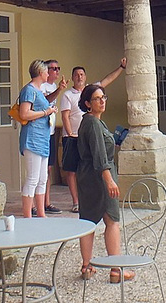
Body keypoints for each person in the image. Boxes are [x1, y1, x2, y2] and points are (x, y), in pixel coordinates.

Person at [76, 83, 134, 284]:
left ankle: (87, 265)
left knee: (88, 222)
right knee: (112, 221)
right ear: (87, 104)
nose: (102, 101)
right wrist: (109, 180)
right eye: (97, 98)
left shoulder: (91, 122)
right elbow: (100, 156)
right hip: (99, 177)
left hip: (87, 177)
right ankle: (116, 269)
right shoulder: (92, 123)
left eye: (103, 97)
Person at [60, 58, 128, 213]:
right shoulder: (68, 95)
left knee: (92, 163)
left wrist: (121, 67)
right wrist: (70, 133)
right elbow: (65, 115)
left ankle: (89, 200)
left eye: (82, 74)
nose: (79, 77)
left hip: (90, 133)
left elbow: (108, 79)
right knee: (72, 169)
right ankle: (76, 201)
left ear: (85, 76)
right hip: (75, 136)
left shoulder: (92, 90)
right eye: (76, 74)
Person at [18, 59, 59, 219]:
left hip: (43, 138)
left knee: (43, 178)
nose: (49, 73)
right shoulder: (29, 90)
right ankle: (27, 215)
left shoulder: (39, 90)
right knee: (33, 178)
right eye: (46, 70)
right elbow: (24, 114)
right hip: (33, 139)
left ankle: (41, 213)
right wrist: (45, 112)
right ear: (40, 72)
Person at [39, 59, 68, 214]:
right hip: (41, 132)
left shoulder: (52, 86)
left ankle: (46, 202)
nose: (57, 71)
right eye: (53, 68)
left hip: (50, 131)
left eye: (58, 68)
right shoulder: (42, 86)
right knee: (40, 169)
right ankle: (36, 204)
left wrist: (58, 89)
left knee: (48, 169)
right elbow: (45, 101)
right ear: (46, 70)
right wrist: (59, 90)